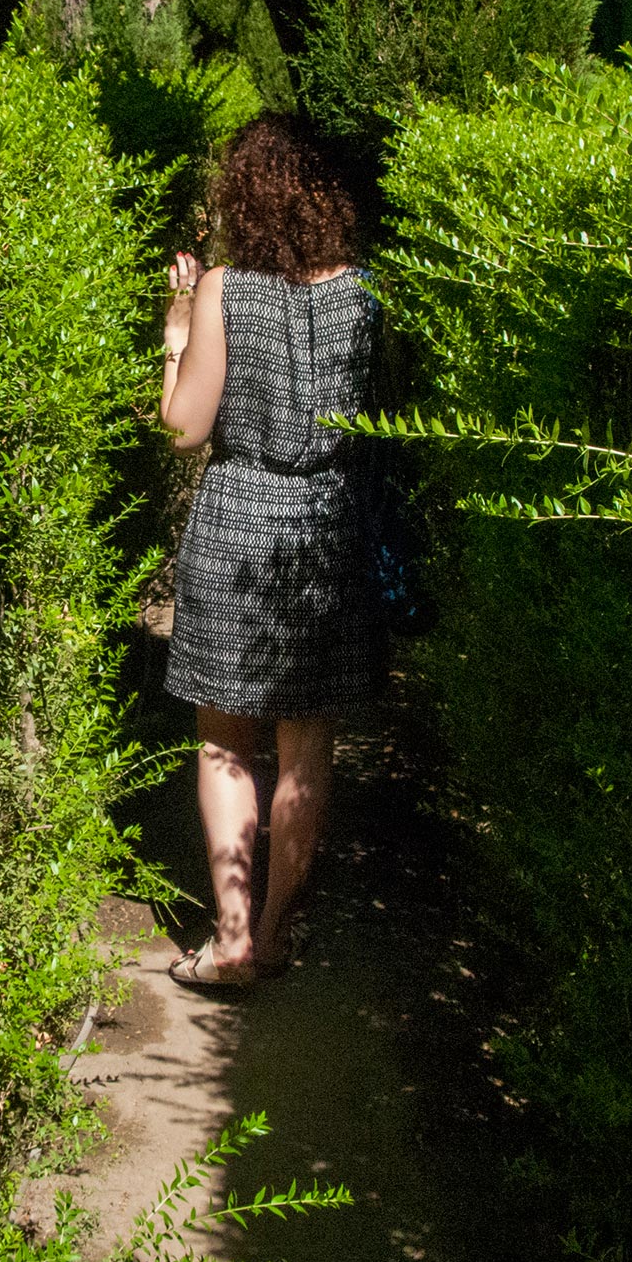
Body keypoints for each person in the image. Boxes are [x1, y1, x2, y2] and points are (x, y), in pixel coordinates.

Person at [158, 114, 382, 990]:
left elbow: (184, 431)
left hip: (237, 517)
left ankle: (233, 937)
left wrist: (175, 334)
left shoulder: (222, 290)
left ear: (240, 196)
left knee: (224, 744)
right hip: (329, 524)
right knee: (306, 751)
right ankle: (279, 933)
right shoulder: (367, 292)